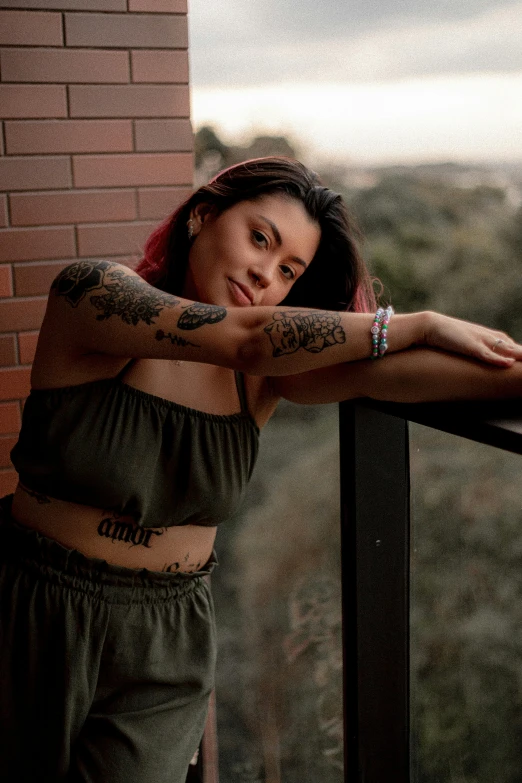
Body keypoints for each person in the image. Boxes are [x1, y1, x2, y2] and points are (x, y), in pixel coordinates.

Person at [1, 157, 521, 783]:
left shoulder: (266, 378)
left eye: (287, 271)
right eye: (259, 238)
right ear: (203, 215)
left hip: (168, 634)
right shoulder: (94, 296)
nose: (263, 274)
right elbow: (246, 336)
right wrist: (417, 323)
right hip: (34, 608)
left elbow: (443, 378)